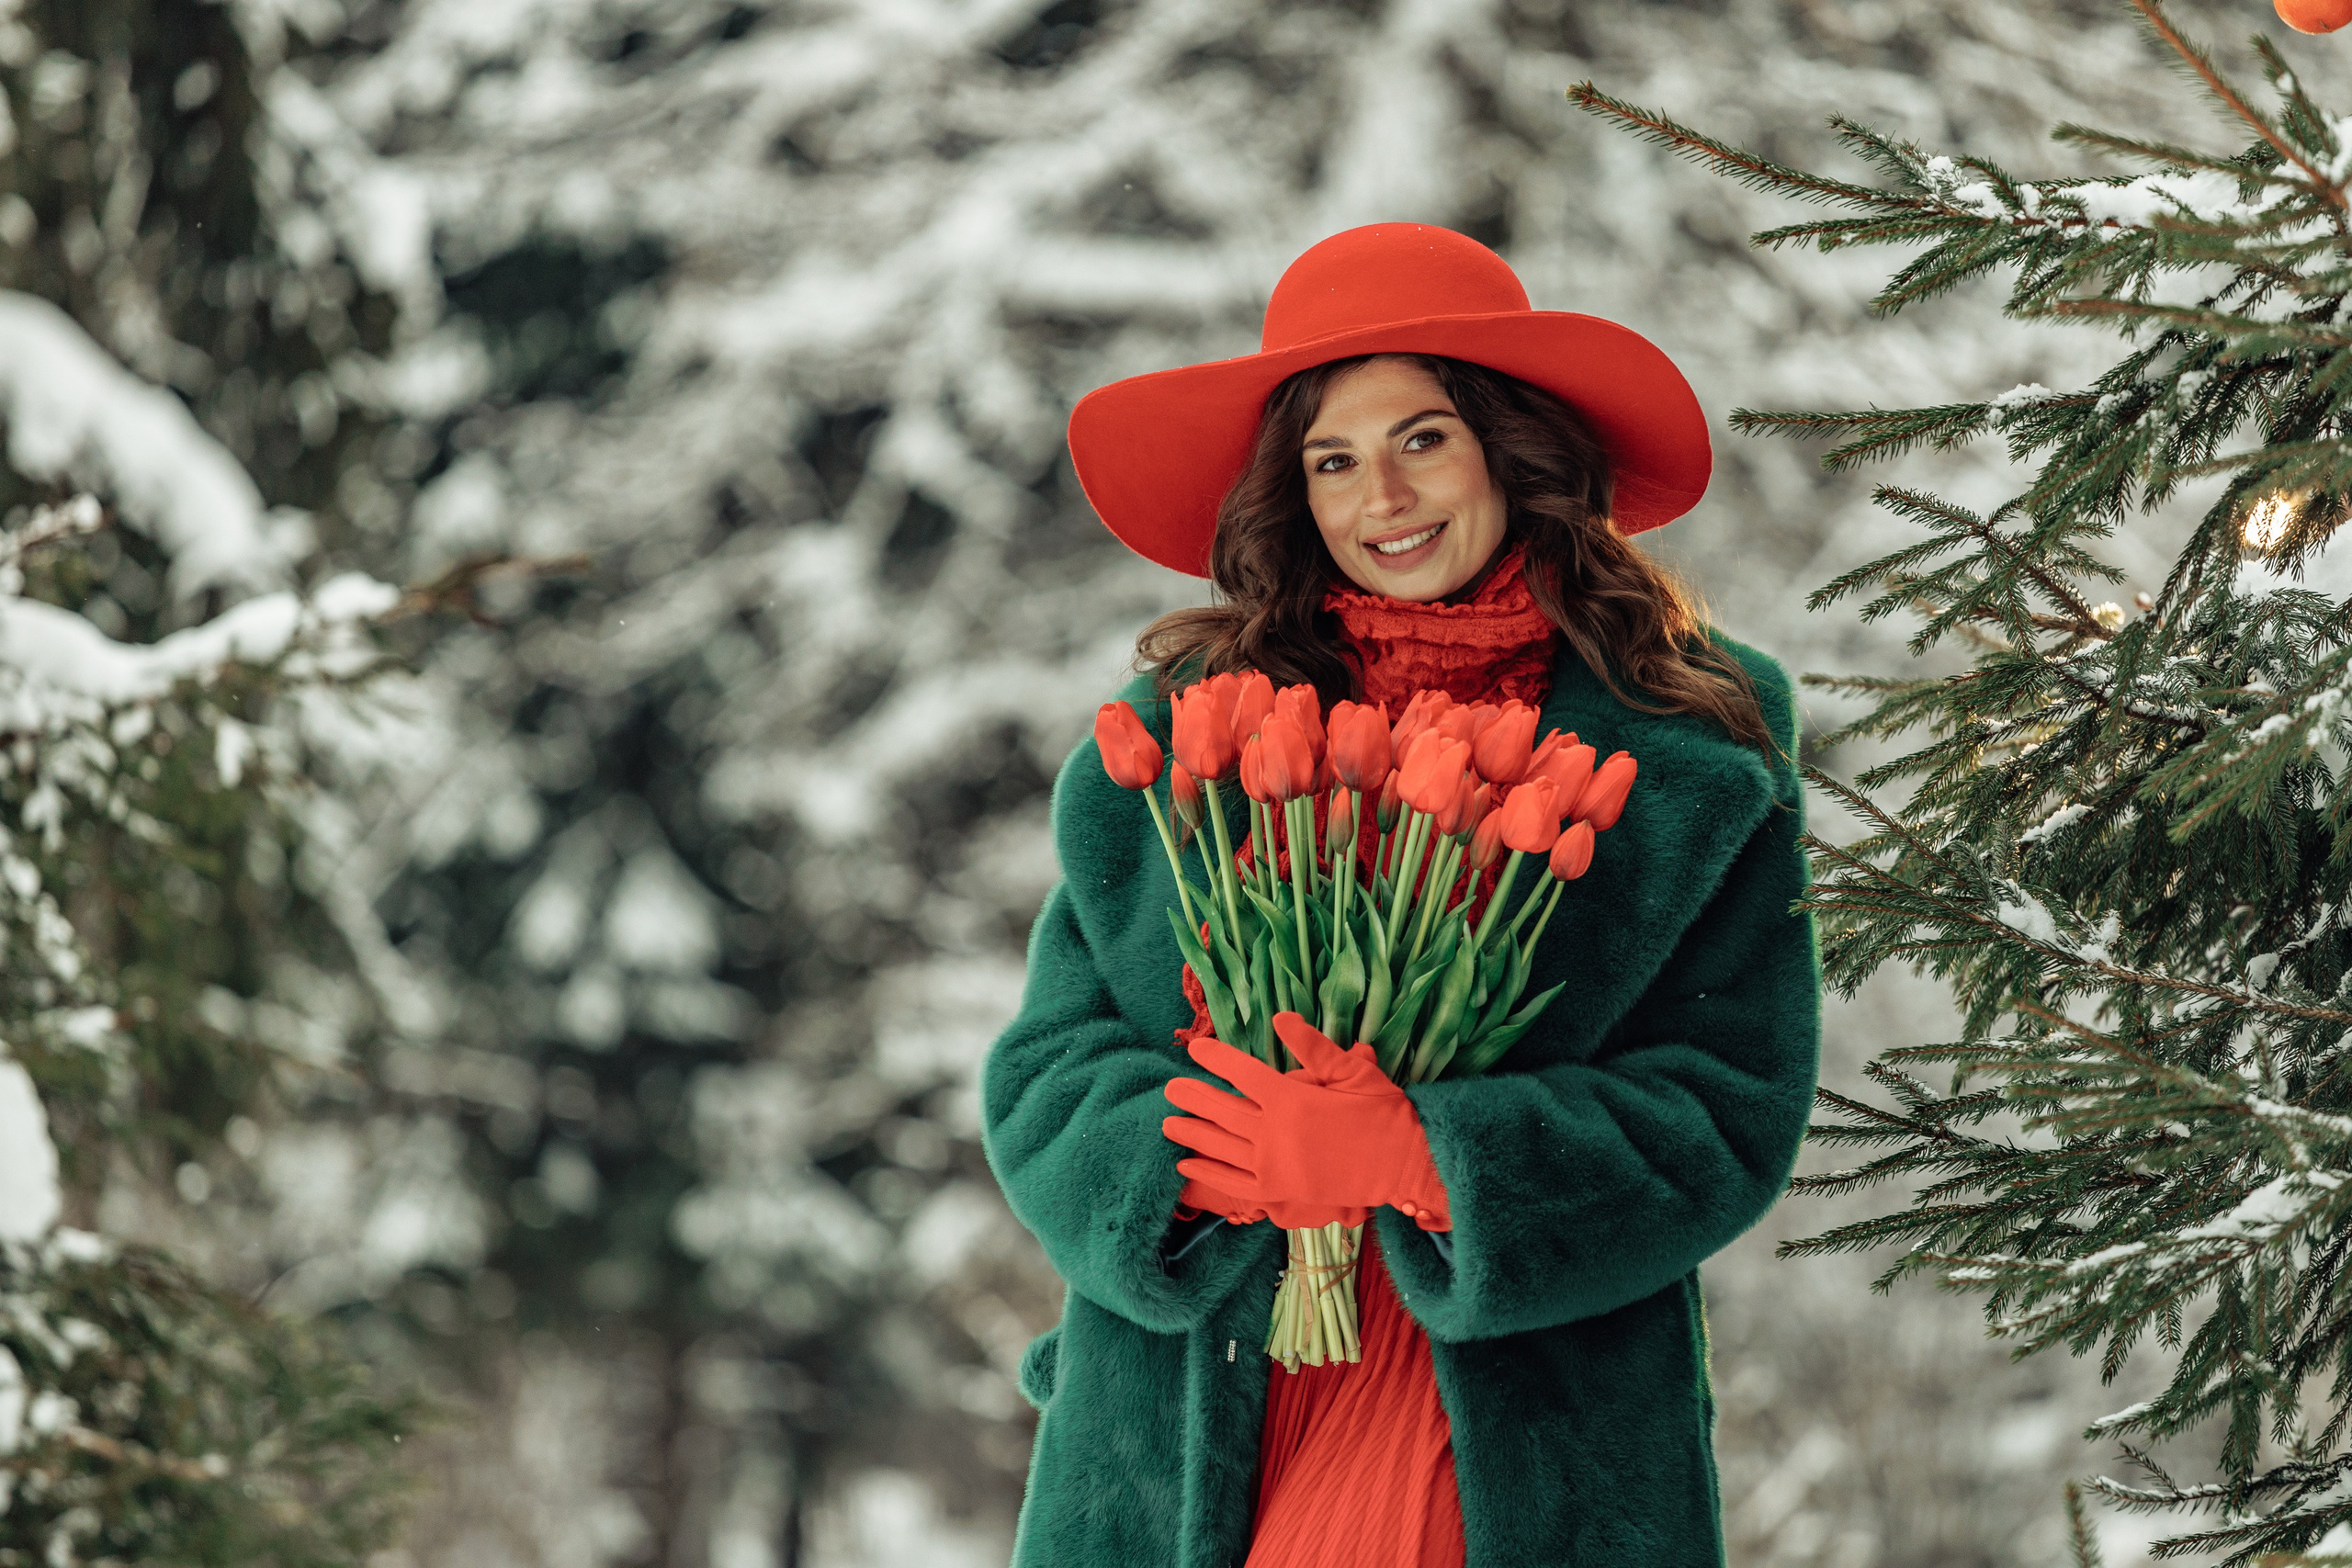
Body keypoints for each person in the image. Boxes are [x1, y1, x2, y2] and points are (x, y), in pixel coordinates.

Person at [981, 222, 1821, 1568]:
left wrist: (1425, 1155)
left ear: (1512, 443)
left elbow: (1728, 1110)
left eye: (1422, 437)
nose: (1382, 494)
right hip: (1195, 1402)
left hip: (1507, 1419)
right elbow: (1047, 1067)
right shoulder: (1181, 730)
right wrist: (1206, 1156)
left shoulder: (1694, 741)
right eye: (1332, 459)